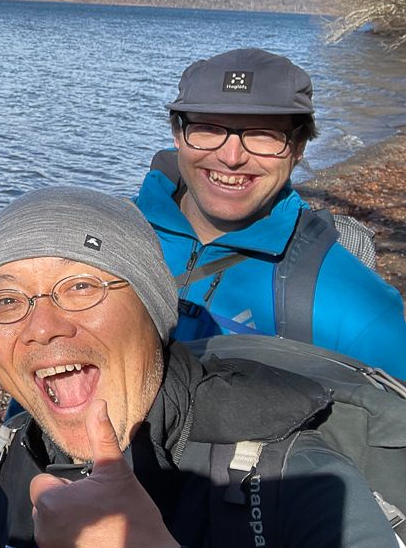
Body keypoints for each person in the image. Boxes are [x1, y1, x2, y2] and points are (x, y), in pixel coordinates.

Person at [0, 186, 405, 548]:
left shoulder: (299, 477)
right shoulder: (10, 460)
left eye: (81, 287)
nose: (42, 328)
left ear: (153, 307)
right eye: (5, 300)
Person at [134, 48, 406, 378]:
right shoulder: (109, 236)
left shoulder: (359, 310)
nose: (231, 157)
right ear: (179, 135)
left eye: (262, 134)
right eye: (209, 128)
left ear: (299, 147)